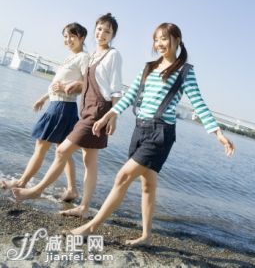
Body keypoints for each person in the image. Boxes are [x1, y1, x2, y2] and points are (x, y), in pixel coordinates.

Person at [62, 22, 235, 246]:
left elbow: (198, 103)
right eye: (157, 39)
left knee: (122, 177)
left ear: (177, 40)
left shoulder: (185, 71)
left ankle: (90, 227)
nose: (160, 43)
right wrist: (108, 116)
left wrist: (218, 133)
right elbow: (130, 95)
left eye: (165, 38)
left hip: (161, 134)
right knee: (148, 185)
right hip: (140, 129)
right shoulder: (148, 67)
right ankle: (146, 235)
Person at [12, 13, 123, 218]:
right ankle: (84, 207)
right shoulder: (93, 56)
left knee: (62, 150)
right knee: (89, 160)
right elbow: (85, 83)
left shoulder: (112, 55)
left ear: (112, 35)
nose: (101, 34)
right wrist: (71, 86)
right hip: (87, 109)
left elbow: (116, 89)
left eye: (107, 31)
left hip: (99, 110)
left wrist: (112, 116)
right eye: (99, 29)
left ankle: (36, 190)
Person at [1, 23, 89, 202]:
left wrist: (65, 87)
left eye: (72, 36)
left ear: (82, 38)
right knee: (62, 151)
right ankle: (72, 190)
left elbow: (86, 84)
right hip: (58, 105)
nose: (68, 40)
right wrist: (43, 98)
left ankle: (21, 183)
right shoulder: (69, 57)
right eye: (65, 36)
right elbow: (56, 84)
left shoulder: (83, 57)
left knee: (41, 147)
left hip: (63, 108)